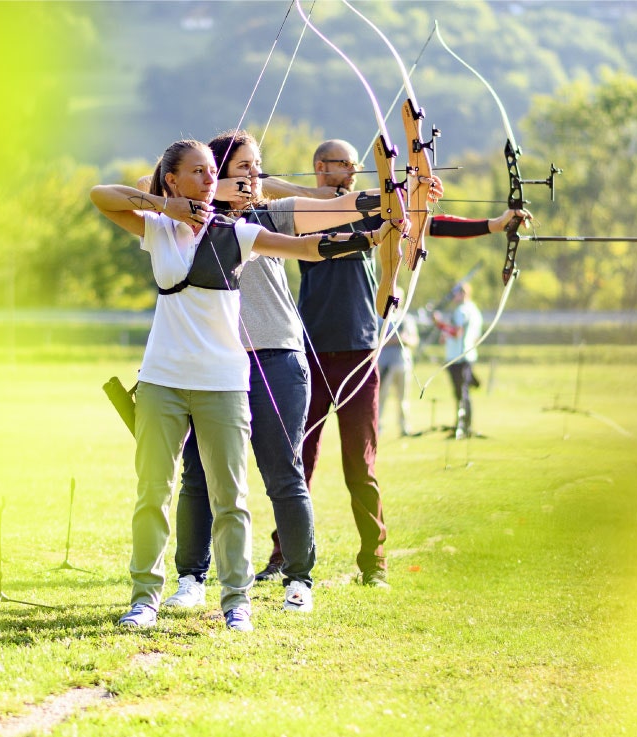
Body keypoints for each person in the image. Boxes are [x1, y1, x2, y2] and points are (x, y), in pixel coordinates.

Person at [89, 138, 395, 630]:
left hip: (234, 373)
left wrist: (375, 225)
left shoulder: (246, 228)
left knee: (249, 487)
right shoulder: (160, 229)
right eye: (203, 172)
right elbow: (102, 195)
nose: (214, 180)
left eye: (217, 172)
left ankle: (252, 595)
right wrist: (169, 206)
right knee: (162, 489)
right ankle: (157, 593)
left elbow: (311, 241)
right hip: (167, 376)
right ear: (174, 178)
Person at [159, 130, 438, 609]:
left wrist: (402, 197)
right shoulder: (184, 220)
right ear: (215, 173)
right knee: (200, 475)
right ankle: (192, 578)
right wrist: (215, 194)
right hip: (214, 360)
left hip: (277, 356)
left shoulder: (273, 214)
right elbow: (144, 186)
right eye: (244, 166)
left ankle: (298, 580)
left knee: (283, 472)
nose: (255, 175)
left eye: (258, 166)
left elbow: (343, 209)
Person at [253, 138, 523, 587]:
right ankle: (285, 555)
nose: (355, 172)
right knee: (299, 461)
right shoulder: (301, 213)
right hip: (310, 355)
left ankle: (373, 565)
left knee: (360, 465)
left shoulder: (371, 209)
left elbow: (425, 226)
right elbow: (265, 192)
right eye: (346, 165)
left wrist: (492, 224)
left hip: (360, 354)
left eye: (360, 166)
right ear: (321, 167)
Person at [432, 282, 483, 440]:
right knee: (462, 393)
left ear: (463, 294)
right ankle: (463, 424)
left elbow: (457, 332)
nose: (454, 297)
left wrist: (440, 324)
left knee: (461, 393)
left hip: (458, 358)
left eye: (456, 294)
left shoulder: (461, 311)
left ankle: (463, 426)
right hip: (467, 355)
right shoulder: (475, 310)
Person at [377, 285, 418, 437]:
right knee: (382, 397)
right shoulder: (381, 318)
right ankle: (378, 427)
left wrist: (405, 339)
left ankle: (404, 427)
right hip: (386, 364)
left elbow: (413, 340)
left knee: (403, 399)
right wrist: (395, 339)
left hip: (403, 365)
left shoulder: (406, 318)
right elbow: (378, 341)